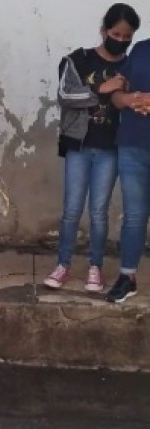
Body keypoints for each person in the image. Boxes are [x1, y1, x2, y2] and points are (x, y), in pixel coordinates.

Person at [44, 3, 140, 293]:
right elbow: (65, 95)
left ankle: (95, 267)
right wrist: (102, 88)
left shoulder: (130, 66)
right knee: (72, 209)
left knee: (98, 211)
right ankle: (63, 265)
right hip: (79, 146)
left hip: (111, 148)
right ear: (103, 30)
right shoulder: (78, 60)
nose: (121, 41)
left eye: (127, 37)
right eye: (116, 34)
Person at [107, 8, 150, 303]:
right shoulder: (140, 49)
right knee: (134, 216)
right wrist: (129, 99)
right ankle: (127, 276)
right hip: (133, 144)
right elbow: (116, 93)